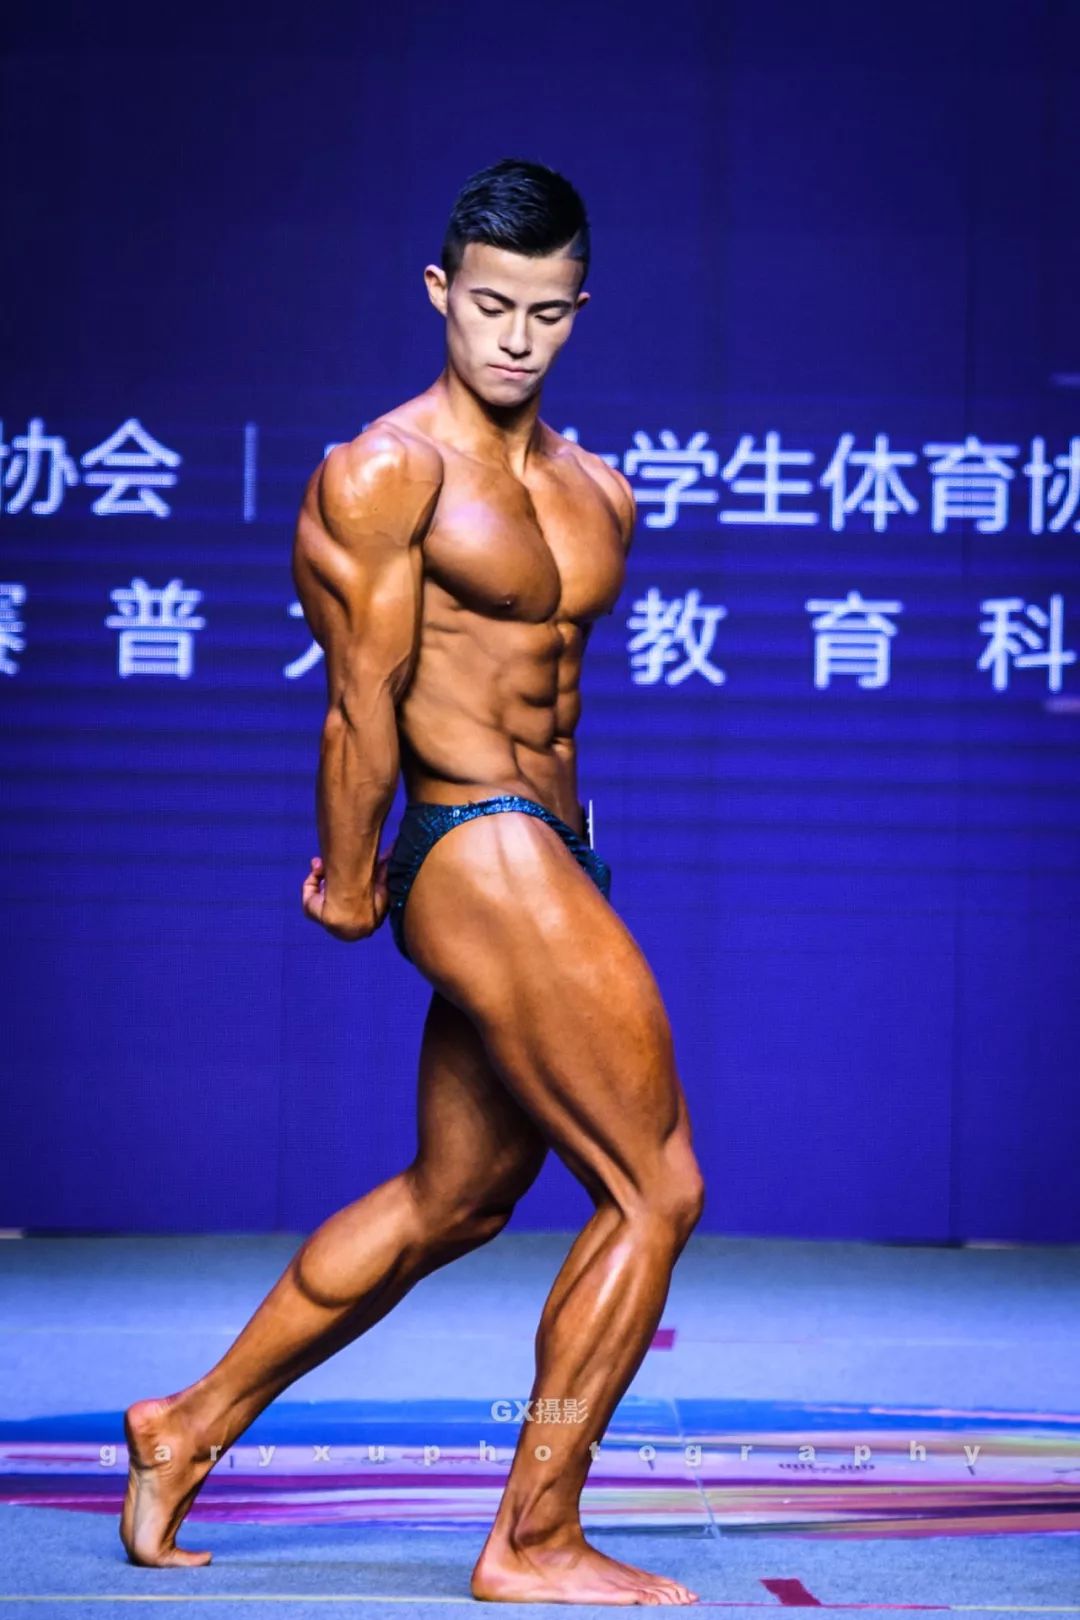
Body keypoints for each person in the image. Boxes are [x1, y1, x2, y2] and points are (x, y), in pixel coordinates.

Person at [120, 156, 705, 1607]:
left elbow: (553, 694)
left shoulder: (601, 490)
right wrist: (345, 870)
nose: (516, 337)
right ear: (442, 291)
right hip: (469, 837)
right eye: (491, 305)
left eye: (547, 313)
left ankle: (184, 1424)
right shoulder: (388, 471)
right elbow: (360, 695)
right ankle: (536, 1536)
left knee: (457, 1199)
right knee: (656, 1187)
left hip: (555, 848)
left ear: (579, 312)